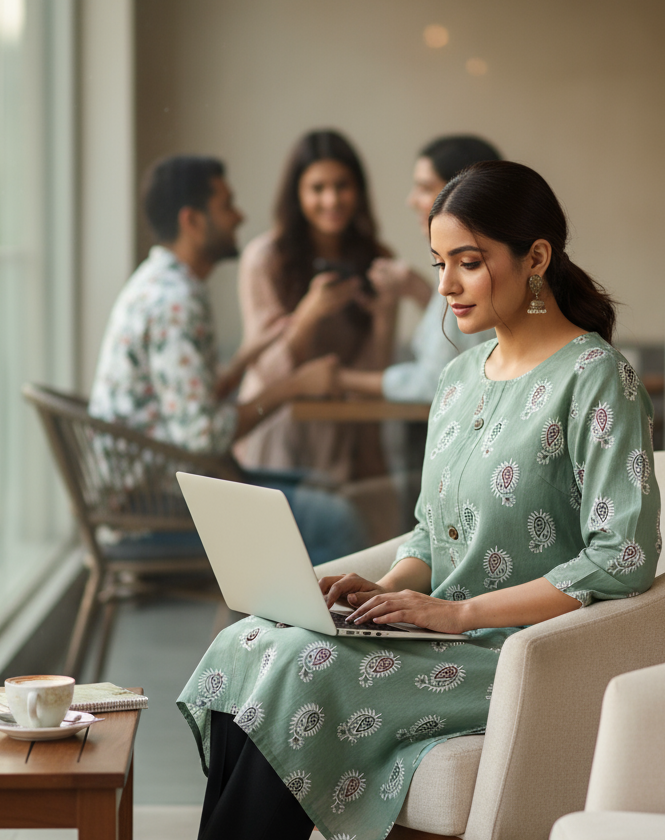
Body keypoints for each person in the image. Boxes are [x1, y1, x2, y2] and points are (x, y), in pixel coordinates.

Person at [117, 160, 661, 840]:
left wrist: (458, 615)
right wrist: (387, 585)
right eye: (438, 260)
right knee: (255, 641)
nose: (444, 284)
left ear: (535, 258)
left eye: (469, 262)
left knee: (310, 668)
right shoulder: (458, 378)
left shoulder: (596, 378)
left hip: (520, 655)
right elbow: (428, 534)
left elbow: (623, 555)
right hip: (436, 628)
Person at [89, 154, 364, 565]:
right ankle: (299, 628)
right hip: (155, 512)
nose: (239, 216)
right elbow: (204, 437)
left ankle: (277, 622)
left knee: (326, 488)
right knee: (336, 519)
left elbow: (182, 407)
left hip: (158, 492)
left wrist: (245, 357)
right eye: (227, 205)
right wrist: (293, 387)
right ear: (193, 221)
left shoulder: (159, 282)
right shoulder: (175, 302)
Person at [234, 130, 397, 481]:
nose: (332, 200)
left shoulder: (377, 259)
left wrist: (385, 315)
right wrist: (309, 314)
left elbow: (376, 368)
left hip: (347, 430)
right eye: (317, 188)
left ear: (359, 189)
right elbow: (268, 371)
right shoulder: (264, 259)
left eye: (343, 186)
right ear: (297, 193)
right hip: (277, 423)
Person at [338, 134, 501, 403]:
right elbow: (461, 344)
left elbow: (439, 378)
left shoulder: (486, 268)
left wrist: (340, 379)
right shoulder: (459, 268)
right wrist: (417, 288)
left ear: (461, 195)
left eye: (425, 188)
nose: (412, 200)